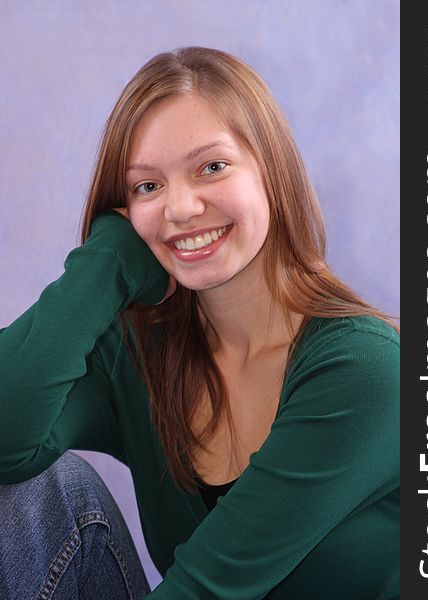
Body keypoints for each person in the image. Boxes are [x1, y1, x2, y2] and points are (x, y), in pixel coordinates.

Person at [0, 47, 399, 599]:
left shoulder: (368, 369)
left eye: (211, 167)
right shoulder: (140, 351)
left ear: (271, 171)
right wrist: (107, 262)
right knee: (27, 496)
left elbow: (205, 591)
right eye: (148, 186)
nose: (181, 208)